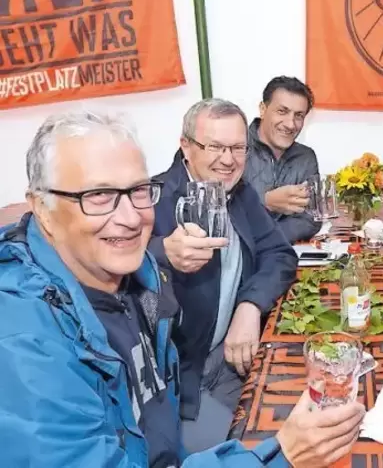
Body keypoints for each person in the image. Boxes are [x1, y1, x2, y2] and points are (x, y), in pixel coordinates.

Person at [0, 111, 364, 467]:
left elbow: (278, 253)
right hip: (200, 388)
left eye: (138, 190)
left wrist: (249, 305)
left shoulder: (135, 273)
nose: (129, 217)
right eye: (97, 195)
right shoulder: (25, 344)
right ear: (42, 208)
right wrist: (280, 455)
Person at [150, 99, 298, 452]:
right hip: (180, 383)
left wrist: (249, 307)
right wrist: (160, 254)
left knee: (304, 418)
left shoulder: (238, 192)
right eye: (215, 146)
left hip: (230, 360)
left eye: (237, 148)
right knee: (255, 453)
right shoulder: (151, 201)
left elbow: (279, 254)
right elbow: (103, 270)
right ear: (185, 145)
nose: (228, 160)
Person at [245, 76, 321, 243]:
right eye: (282, 111)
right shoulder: (234, 148)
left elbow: (311, 219)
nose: (290, 124)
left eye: (299, 115)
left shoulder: (306, 157)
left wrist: (268, 238)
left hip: (283, 256)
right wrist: (264, 202)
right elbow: (216, 212)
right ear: (263, 109)